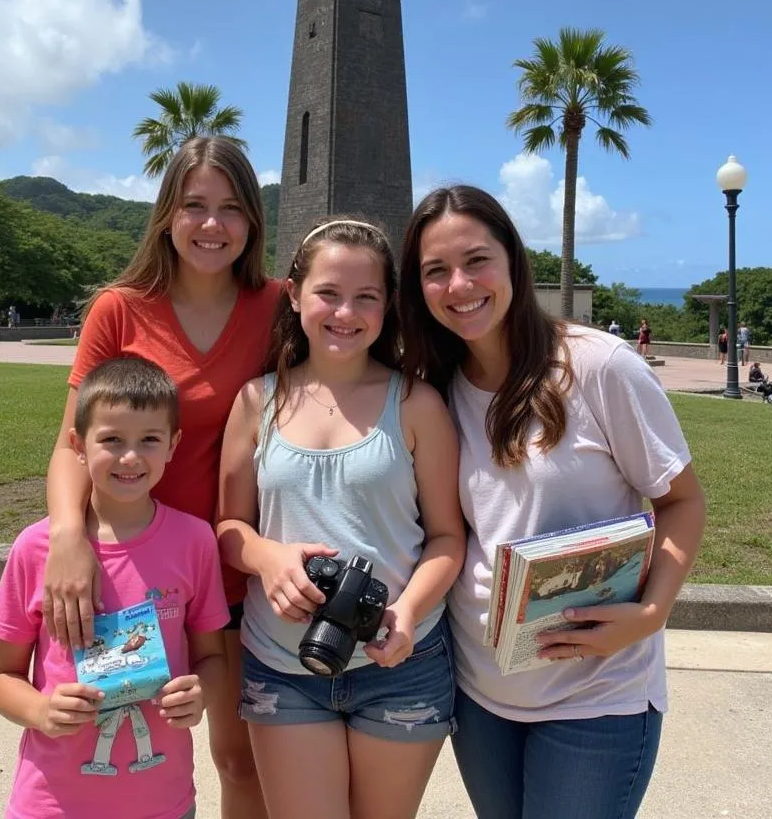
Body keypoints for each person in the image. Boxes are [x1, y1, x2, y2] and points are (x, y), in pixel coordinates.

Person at [398, 186, 706, 819]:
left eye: (477, 260)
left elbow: (681, 500)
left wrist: (651, 612)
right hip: (482, 694)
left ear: (513, 260)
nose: (460, 284)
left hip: (598, 694)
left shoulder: (595, 367)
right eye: (436, 271)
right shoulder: (435, 391)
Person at [41, 137, 282, 819]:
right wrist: (68, 537)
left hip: (234, 567)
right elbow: (69, 445)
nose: (212, 225)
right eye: (195, 206)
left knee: (239, 758)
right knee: (112, 747)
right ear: (167, 215)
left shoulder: (279, 306)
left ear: (253, 222)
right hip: (133, 572)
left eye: (231, 208)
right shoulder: (120, 308)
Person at [216, 218, 465, 819]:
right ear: (296, 294)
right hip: (282, 665)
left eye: (367, 297)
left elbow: (448, 537)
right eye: (328, 292)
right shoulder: (257, 401)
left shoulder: (416, 402)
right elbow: (228, 528)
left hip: (403, 662)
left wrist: (406, 612)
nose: (345, 312)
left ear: (388, 308)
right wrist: (266, 557)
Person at [0, 356, 230, 819]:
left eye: (149, 440)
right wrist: (40, 712)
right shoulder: (36, 549)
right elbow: (2, 678)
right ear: (77, 444)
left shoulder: (195, 542)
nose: (131, 457)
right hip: (51, 803)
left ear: (173, 445)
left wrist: (201, 694)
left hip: (163, 802)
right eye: (111, 439)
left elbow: (212, 657)